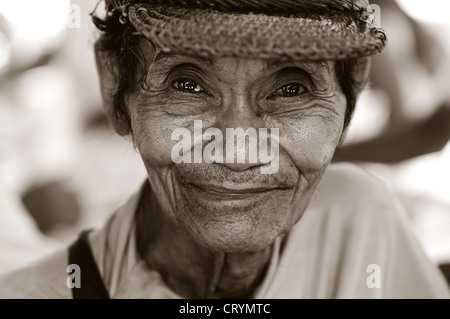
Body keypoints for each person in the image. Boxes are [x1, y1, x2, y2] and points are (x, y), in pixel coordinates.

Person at [0, 0, 449, 299]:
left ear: (350, 98)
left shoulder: (359, 219)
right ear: (115, 87)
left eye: (292, 87)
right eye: (187, 83)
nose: (237, 150)